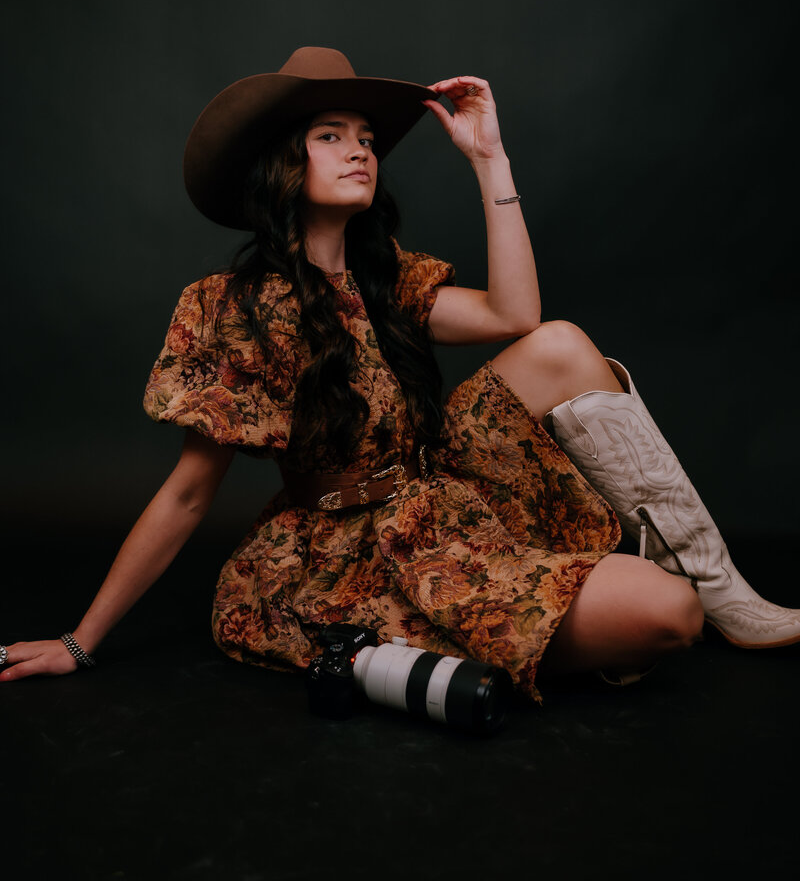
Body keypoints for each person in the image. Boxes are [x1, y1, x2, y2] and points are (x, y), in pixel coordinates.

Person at [2, 46, 798, 698]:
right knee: (665, 615)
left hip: (444, 504)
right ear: (283, 162)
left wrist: (491, 161)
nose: (358, 149)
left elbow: (517, 318)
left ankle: (725, 589)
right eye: (329, 135)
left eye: (366, 138)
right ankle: (434, 651)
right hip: (344, 554)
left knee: (559, 342)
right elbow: (187, 492)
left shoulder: (389, 280)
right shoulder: (232, 304)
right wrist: (81, 640)